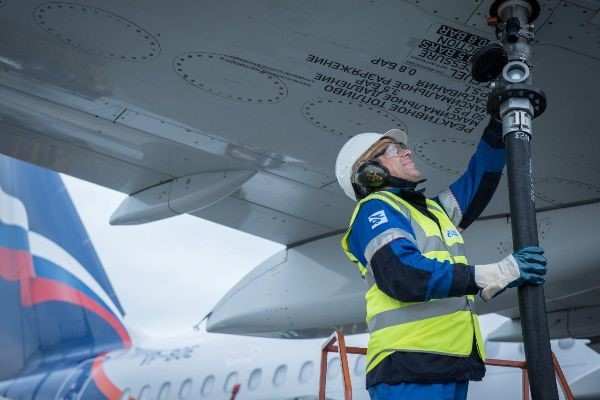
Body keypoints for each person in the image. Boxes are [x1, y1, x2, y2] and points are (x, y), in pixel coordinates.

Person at [335, 118, 547, 400]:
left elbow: (479, 178)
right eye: (395, 149)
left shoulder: (433, 211)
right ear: (370, 172)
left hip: (446, 363)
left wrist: (498, 125)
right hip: (409, 364)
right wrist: (496, 274)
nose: (407, 152)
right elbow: (403, 276)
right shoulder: (375, 209)